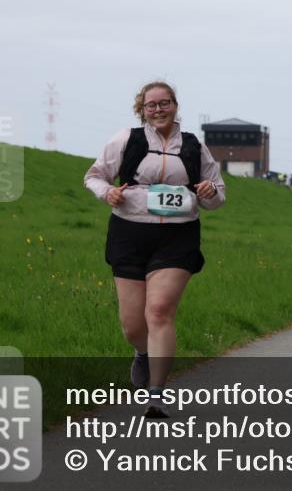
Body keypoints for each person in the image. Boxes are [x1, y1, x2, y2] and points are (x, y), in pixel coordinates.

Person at [84, 81, 226, 418]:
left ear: (175, 106)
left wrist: (209, 192)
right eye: (151, 105)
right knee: (133, 326)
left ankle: (157, 393)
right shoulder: (127, 139)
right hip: (129, 234)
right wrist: (107, 193)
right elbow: (94, 176)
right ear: (142, 109)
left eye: (165, 103)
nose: (158, 109)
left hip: (178, 235)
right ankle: (143, 353)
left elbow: (218, 196)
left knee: (160, 310)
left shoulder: (194, 146)